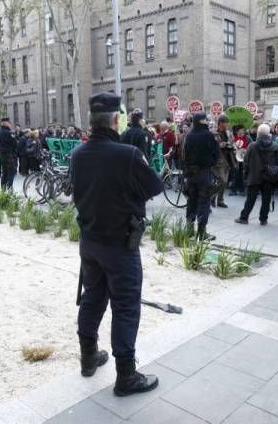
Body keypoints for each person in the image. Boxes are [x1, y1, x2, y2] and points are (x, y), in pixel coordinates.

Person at [71, 92, 163, 397]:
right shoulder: (128, 154)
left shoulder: (77, 154)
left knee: (93, 297)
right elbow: (154, 187)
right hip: (120, 245)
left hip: (90, 241)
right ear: (115, 120)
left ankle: (88, 357)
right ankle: (126, 375)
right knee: (125, 306)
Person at [183, 113, 220, 240]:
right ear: (202, 121)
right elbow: (216, 154)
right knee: (204, 202)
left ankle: (188, 230)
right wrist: (210, 163)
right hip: (204, 172)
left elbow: (185, 155)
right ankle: (201, 232)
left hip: (191, 173)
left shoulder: (189, 135)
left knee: (191, 200)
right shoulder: (209, 135)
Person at [234, 124, 278, 226]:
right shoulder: (275, 146)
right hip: (268, 176)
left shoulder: (252, 146)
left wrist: (245, 176)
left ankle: (244, 217)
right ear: (269, 134)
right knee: (266, 199)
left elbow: (246, 163)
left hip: (254, 175)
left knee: (250, 199)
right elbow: (277, 164)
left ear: (258, 133)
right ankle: (263, 219)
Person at [211, 115, 236, 208]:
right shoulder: (214, 133)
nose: (227, 124)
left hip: (228, 159)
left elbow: (232, 142)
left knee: (224, 181)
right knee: (222, 180)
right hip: (218, 160)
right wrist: (221, 145)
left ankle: (220, 200)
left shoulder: (229, 133)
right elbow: (213, 146)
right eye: (226, 122)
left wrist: (233, 145)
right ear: (220, 123)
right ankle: (212, 197)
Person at [0, 118, 18, 190]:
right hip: (9, 155)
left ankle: (3, 189)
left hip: (2, 155)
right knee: (12, 171)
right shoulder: (9, 133)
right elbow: (15, 144)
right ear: (6, 123)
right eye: (9, 123)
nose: (10, 124)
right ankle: (10, 187)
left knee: (5, 172)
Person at [230, 126, 250, 195]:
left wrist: (245, 150)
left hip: (243, 157)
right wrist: (234, 149)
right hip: (235, 158)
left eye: (243, 131)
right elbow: (230, 146)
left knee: (242, 173)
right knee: (235, 173)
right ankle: (233, 189)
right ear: (237, 132)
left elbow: (250, 146)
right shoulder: (233, 138)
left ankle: (242, 189)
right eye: (241, 131)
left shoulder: (247, 138)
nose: (242, 133)